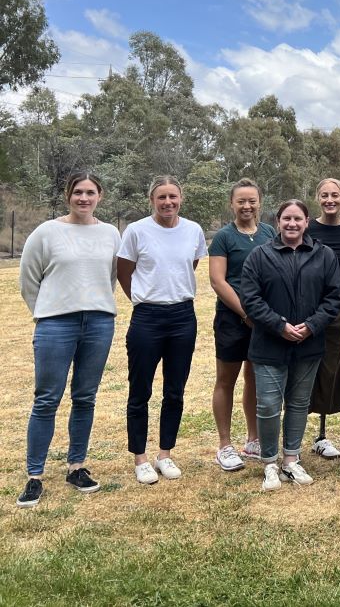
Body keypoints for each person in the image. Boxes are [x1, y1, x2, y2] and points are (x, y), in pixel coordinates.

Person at [16, 173, 121, 508]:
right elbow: (28, 279)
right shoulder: (47, 232)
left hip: (99, 322)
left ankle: (77, 466)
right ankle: (34, 475)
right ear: (68, 195)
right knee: (47, 399)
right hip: (55, 324)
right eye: (78, 192)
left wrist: (96, 306)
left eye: (90, 192)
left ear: (100, 196)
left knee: (85, 397)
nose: (84, 198)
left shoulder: (109, 234)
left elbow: (111, 277)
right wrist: (47, 311)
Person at [240, 199, 340, 491]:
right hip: (270, 344)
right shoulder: (260, 256)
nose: (292, 224)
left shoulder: (324, 255)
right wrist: (278, 325)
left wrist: (311, 326)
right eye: (286, 218)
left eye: (298, 219)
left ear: (307, 222)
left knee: (298, 404)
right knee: (269, 405)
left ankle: (291, 459)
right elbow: (250, 298)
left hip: (309, 344)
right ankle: (270, 462)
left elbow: (334, 297)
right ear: (278, 222)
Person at [117, 176, 208, 484]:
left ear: (181, 198)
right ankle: (140, 457)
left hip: (183, 316)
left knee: (175, 390)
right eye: (161, 197)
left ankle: (165, 454)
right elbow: (124, 272)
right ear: (151, 200)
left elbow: (189, 265)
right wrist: (145, 300)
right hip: (147, 318)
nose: (167, 202)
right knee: (140, 389)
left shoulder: (193, 230)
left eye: (173, 196)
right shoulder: (137, 231)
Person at [208, 178, 277, 472]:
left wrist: (262, 314)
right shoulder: (224, 237)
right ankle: (225, 445)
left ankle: (254, 440)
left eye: (252, 201)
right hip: (232, 319)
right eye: (241, 201)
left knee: (255, 379)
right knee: (227, 379)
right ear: (232, 203)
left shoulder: (269, 232)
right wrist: (245, 313)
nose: (247, 206)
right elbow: (217, 280)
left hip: (262, 317)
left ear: (259, 202)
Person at [307, 178, 340, 460]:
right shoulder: (307, 228)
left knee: (330, 369)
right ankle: (292, 430)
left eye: (335, 195)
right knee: (302, 368)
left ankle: (322, 435)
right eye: (324, 195)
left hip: (338, 311)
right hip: (306, 307)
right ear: (317, 198)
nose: (330, 200)